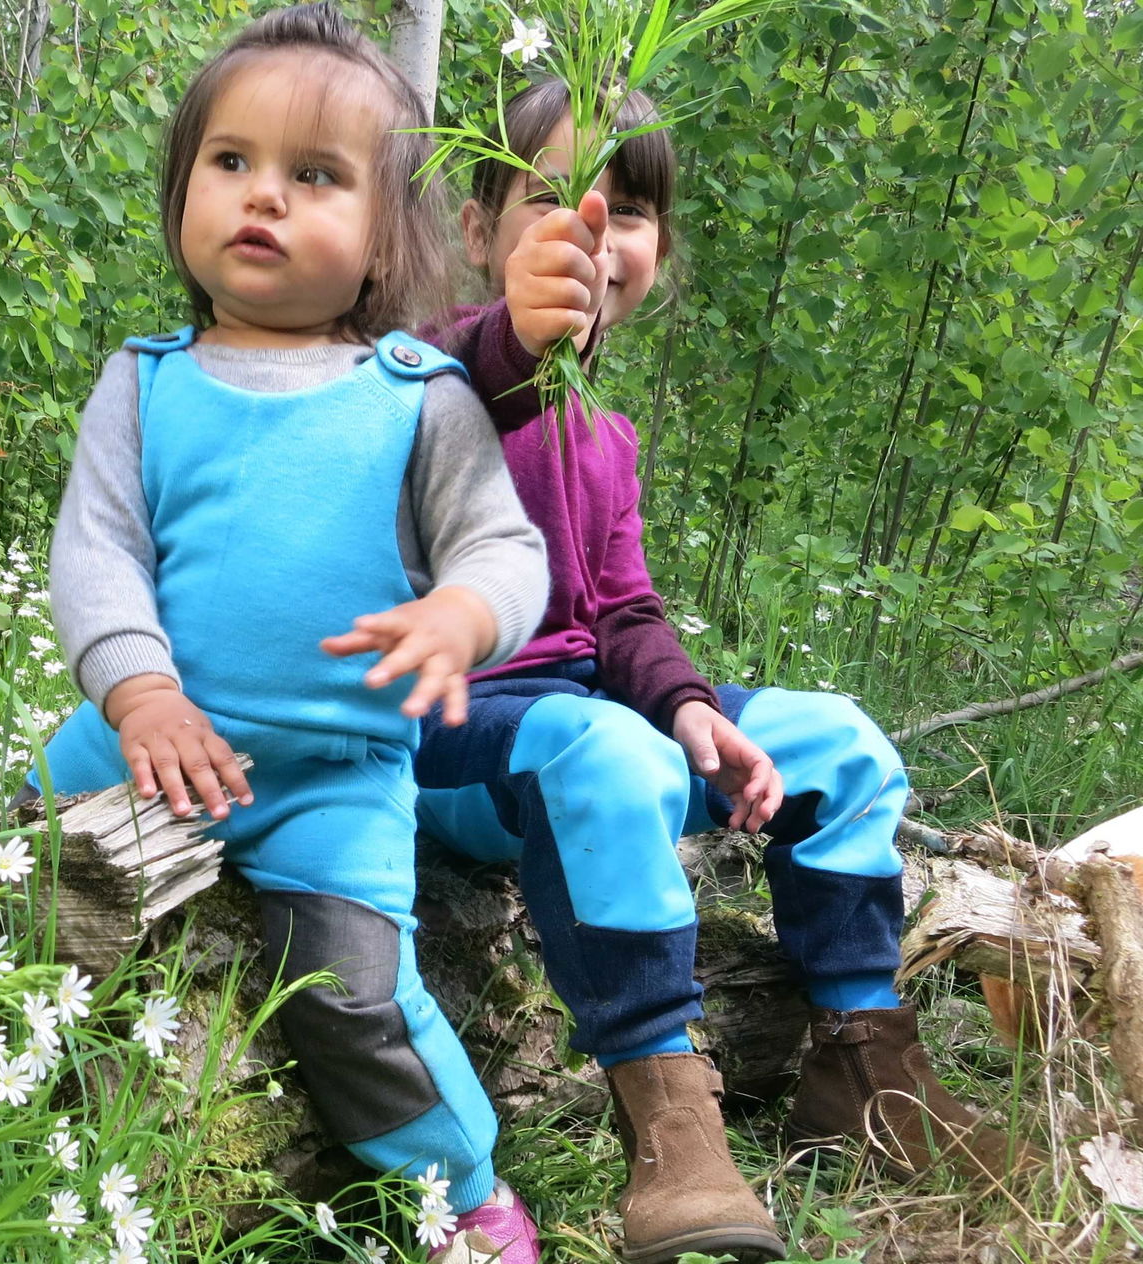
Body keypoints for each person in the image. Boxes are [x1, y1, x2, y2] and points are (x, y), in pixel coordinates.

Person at [412, 76, 1038, 1264]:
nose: (591, 226)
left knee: (841, 740)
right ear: (476, 226)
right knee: (597, 745)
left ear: (657, 247)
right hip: (460, 740)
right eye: (548, 194)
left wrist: (695, 708)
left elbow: (625, 613)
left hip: (600, 718)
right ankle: (667, 1114)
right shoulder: (427, 374)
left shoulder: (605, 436)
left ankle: (867, 1067)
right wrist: (510, 340)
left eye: (628, 208)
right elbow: (472, 379)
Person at [29, 6, 550, 1261]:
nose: (263, 197)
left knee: (354, 998)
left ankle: (464, 1198)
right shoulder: (142, 382)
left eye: (314, 176)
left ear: (386, 235)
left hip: (329, 781)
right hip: (146, 745)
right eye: (232, 162)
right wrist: (139, 693)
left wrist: (459, 613)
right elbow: (97, 555)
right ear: (181, 191)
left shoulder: (414, 397)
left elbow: (502, 547)